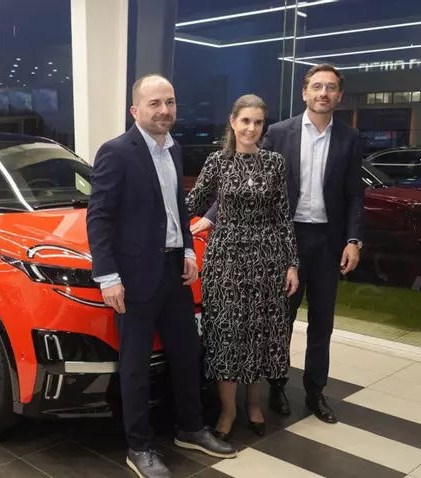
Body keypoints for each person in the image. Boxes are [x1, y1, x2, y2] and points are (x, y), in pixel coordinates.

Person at [193, 64, 365, 424]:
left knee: (322, 321)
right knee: (277, 320)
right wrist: (210, 216)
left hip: (326, 240)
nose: (323, 93)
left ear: (338, 95)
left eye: (330, 87)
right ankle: (277, 387)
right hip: (284, 239)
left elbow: (354, 193)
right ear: (304, 92)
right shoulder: (279, 132)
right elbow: (243, 176)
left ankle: (316, 391)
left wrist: (353, 239)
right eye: (316, 86)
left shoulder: (349, 138)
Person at [86, 74, 236, 478]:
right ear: (135, 110)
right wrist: (108, 276)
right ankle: (139, 448)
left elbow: (176, 209)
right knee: (135, 367)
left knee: (187, 355)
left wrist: (186, 250)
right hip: (134, 277)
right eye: (155, 103)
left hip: (173, 273)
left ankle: (190, 428)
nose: (164, 110)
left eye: (169, 102)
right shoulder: (116, 152)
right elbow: (99, 217)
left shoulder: (174, 149)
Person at [185, 94, 299, 440]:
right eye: (245, 121)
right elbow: (191, 203)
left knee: (259, 333)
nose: (251, 128)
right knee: (227, 334)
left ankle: (253, 404)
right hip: (226, 260)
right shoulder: (217, 162)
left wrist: (291, 264)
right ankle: (228, 410)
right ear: (233, 122)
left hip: (267, 259)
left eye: (258, 122)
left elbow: (282, 216)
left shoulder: (274, 163)